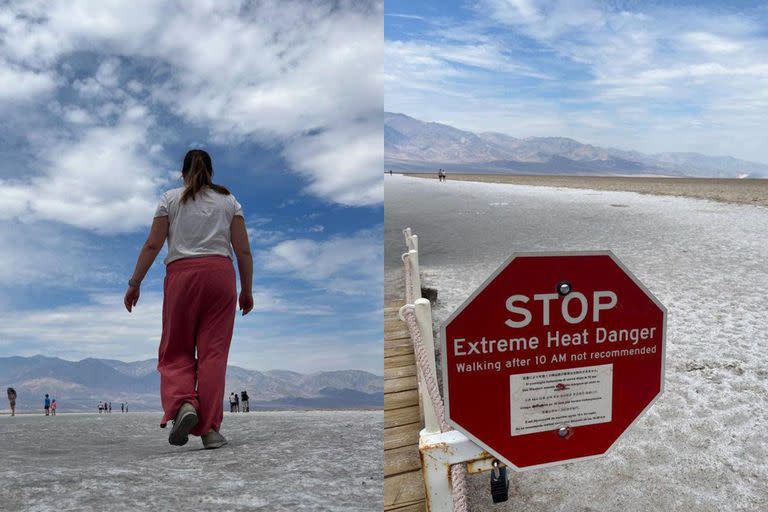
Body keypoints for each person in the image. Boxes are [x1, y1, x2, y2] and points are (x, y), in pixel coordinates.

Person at [124, 149, 253, 449]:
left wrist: (135, 283)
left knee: (176, 348)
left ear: (183, 174)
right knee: (213, 355)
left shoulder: (169, 199)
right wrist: (247, 289)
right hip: (221, 277)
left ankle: (184, 405)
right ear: (211, 172)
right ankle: (209, 430)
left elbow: (153, 244)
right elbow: (243, 251)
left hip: (182, 277)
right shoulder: (229, 202)